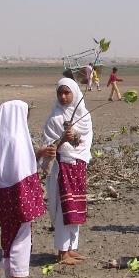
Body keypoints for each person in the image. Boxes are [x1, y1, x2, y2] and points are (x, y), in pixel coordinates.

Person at [0, 100, 52, 278]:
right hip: (18, 196)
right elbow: (23, 169)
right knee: (21, 240)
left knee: (8, 239)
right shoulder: (17, 139)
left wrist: (38, 153)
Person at [43, 77, 93, 266]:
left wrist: (76, 136)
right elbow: (48, 148)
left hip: (79, 166)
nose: (63, 97)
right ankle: (62, 252)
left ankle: (71, 247)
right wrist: (63, 139)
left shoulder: (84, 116)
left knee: (76, 208)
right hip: (62, 167)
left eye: (67, 92)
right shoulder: (54, 118)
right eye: (60, 93)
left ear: (75, 93)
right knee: (63, 208)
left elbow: (85, 141)